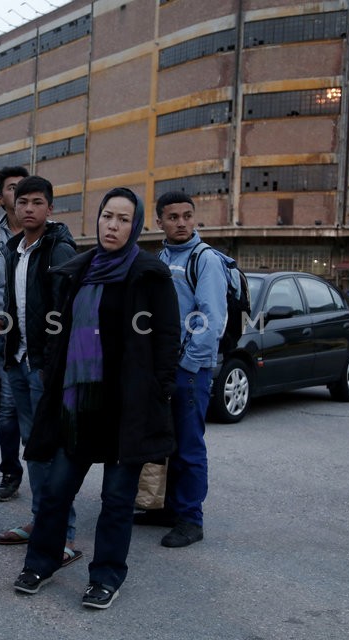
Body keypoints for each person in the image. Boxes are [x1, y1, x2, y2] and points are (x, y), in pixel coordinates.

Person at [12, 187, 180, 610]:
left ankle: (106, 576)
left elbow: (167, 338)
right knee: (56, 491)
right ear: (98, 219)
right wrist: (52, 369)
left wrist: (158, 391)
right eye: (108, 216)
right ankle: (42, 562)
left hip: (127, 407)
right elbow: (59, 328)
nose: (113, 226)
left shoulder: (150, 274)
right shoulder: (80, 269)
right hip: (78, 403)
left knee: (117, 500)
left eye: (123, 219)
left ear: (135, 226)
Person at [0, 176, 80, 567]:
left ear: (50, 208)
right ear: (13, 205)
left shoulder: (60, 250)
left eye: (37, 202)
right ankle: (41, 521)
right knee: (34, 448)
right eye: (23, 201)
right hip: (19, 360)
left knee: (54, 450)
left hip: (45, 367)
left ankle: (63, 534)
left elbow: (66, 312)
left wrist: (52, 366)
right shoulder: (14, 250)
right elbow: (15, 305)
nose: (29, 208)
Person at [135, 191, 228, 548]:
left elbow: (210, 319)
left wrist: (187, 365)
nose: (182, 223)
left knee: (189, 445)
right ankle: (166, 508)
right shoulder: (161, 259)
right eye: (173, 217)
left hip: (190, 370)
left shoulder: (205, 260)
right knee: (165, 441)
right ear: (159, 221)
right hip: (162, 368)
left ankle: (191, 518)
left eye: (187, 216)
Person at [0, 165, 29, 502]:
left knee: (38, 410)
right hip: (4, 338)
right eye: (13, 188)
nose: (21, 193)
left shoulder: (51, 234)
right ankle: (10, 472)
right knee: (9, 411)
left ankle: (46, 475)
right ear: (1, 198)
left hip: (39, 337)